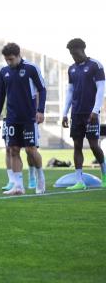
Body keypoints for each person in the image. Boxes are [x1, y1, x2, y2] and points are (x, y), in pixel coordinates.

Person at [0, 43, 46, 195]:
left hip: (29, 117)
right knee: (13, 150)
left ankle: (40, 177)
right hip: (11, 117)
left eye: (11, 59)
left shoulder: (31, 68)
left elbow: (42, 88)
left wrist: (40, 110)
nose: (9, 62)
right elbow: (1, 94)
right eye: (6, 60)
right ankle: (18, 186)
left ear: (18, 55)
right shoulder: (4, 72)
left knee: (30, 150)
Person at [62, 38, 106, 189]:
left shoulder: (95, 65)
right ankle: (79, 181)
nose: (73, 56)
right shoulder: (71, 69)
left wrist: (95, 110)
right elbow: (70, 91)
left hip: (90, 113)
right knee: (77, 146)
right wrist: (64, 113)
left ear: (82, 49)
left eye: (75, 53)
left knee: (94, 145)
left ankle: (104, 174)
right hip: (76, 114)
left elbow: (101, 89)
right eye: (71, 54)